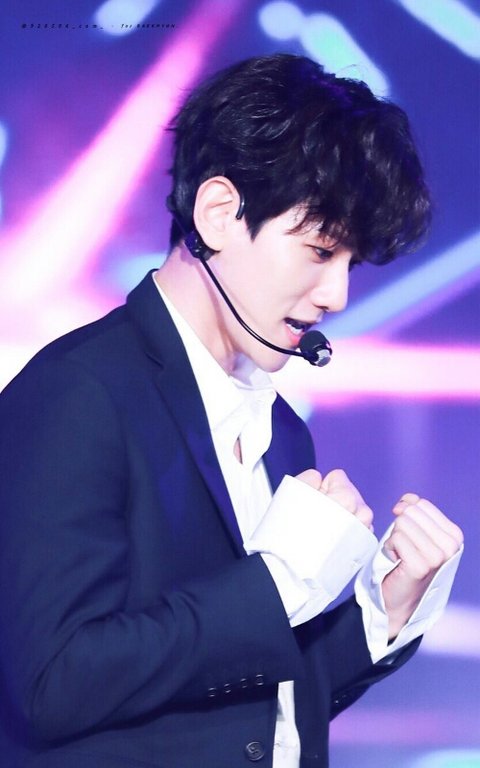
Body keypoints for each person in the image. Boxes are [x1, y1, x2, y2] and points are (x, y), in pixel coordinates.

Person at [0, 53, 463, 768]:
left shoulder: (285, 433)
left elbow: (257, 714)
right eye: (320, 251)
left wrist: (385, 610)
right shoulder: (78, 394)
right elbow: (52, 683)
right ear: (219, 213)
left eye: (350, 264)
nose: (337, 295)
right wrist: (277, 582)